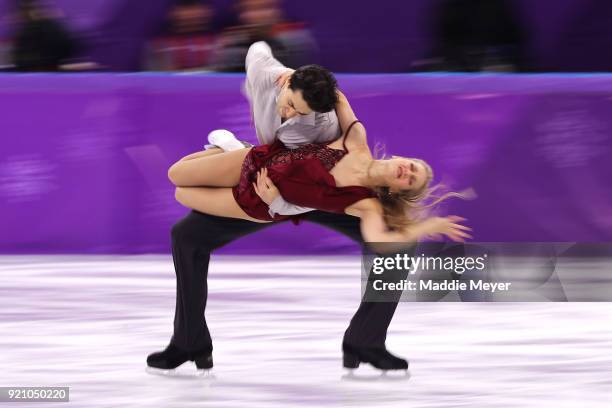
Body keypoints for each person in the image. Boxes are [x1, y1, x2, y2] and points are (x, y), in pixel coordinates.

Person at [146, 41, 469, 373]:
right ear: (401, 156)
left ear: (396, 188)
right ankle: (190, 341)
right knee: (187, 236)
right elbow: (332, 92)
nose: (409, 171)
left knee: (400, 247)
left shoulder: (367, 201)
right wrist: (295, 76)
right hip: (270, 179)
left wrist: (427, 227)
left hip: (302, 201)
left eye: (411, 179)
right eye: (413, 165)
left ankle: (365, 340)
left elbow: (382, 239)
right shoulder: (353, 137)